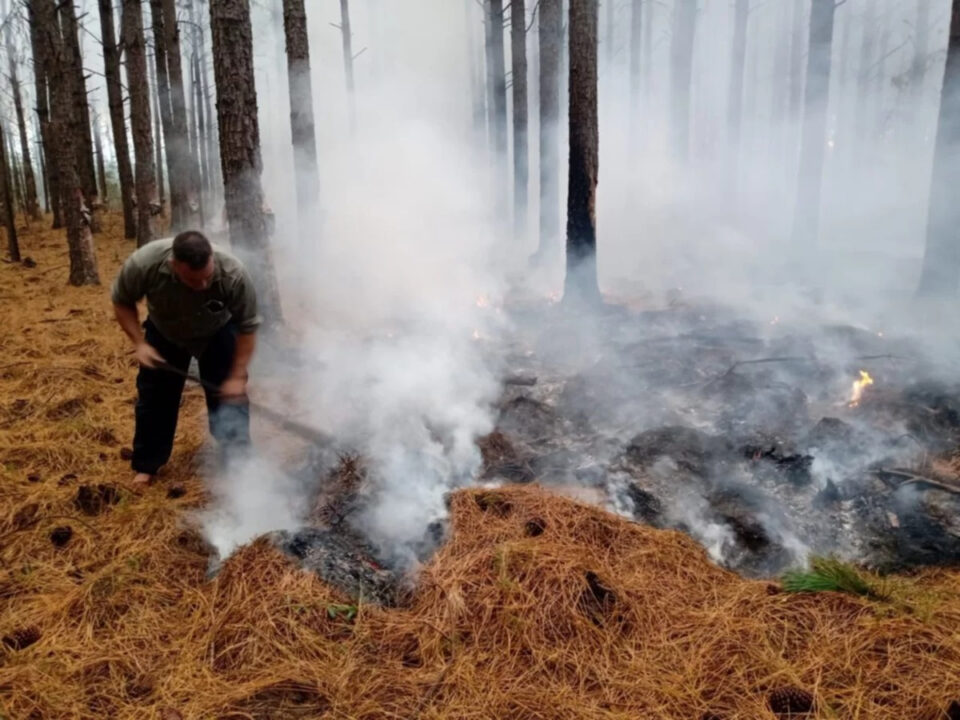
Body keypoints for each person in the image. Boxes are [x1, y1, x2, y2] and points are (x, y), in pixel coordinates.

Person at [111, 231, 261, 485]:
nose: (202, 285)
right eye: (193, 280)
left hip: (217, 331)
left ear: (212, 258)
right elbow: (121, 300)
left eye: (207, 278)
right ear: (174, 266)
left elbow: (248, 327)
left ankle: (238, 462)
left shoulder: (233, 273)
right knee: (155, 397)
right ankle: (147, 464)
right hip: (165, 330)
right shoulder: (145, 263)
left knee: (229, 397)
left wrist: (237, 376)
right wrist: (139, 343)